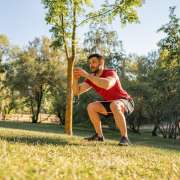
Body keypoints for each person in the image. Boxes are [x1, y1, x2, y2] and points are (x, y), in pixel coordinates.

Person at [73, 54, 134, 146]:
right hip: (112, 103)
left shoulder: (110, 73)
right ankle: (99, 136)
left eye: (94, 62)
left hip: (126, 101)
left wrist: (87, 75)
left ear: (101, 63)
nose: (91, 65)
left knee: (115, 104)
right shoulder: (92, 78)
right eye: (90, 63)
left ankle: (125, 138)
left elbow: (107, 85)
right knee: (91, 107)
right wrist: (75, 79)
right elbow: (77, 92)